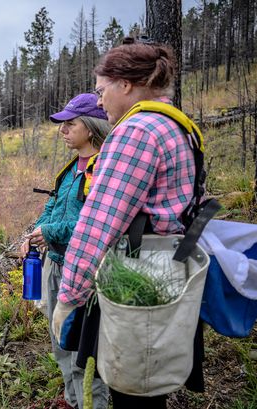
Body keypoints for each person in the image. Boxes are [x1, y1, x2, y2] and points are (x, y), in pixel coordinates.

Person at [52, 39, 204, 408]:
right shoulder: (177, 126)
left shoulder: (137, 131)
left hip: (135, 280)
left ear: (126, 85)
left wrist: (68, 297)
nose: (99, 101)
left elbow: (100, 223)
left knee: (132, 388)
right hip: (168, 273)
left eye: (101, 91)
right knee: (152, 384)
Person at [21, 93, 111, 409]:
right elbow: (53, 204)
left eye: (70, 124)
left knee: (83, 350)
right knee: (60, 341)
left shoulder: (103, 167)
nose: (63, 130)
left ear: (89, 126)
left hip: (87, 272)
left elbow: (92, 223)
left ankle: (91, 403)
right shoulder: (70, 168)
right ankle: (73, 401)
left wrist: (49, 231)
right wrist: (36, 231)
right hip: (55, 264)